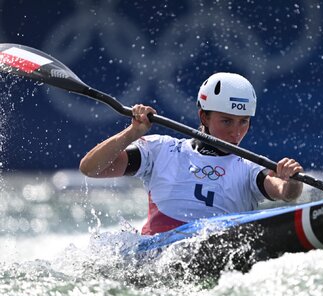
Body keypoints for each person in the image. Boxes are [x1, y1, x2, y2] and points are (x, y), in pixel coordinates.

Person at [79, 72, 304, 235]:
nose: (236, 131)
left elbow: (286, 192)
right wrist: (131, 132)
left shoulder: (249, 168)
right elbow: (90, 168)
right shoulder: (160, 150)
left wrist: (291, 179)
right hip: (154, 259)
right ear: (204, 117)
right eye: (226, 121)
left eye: (243, 122)